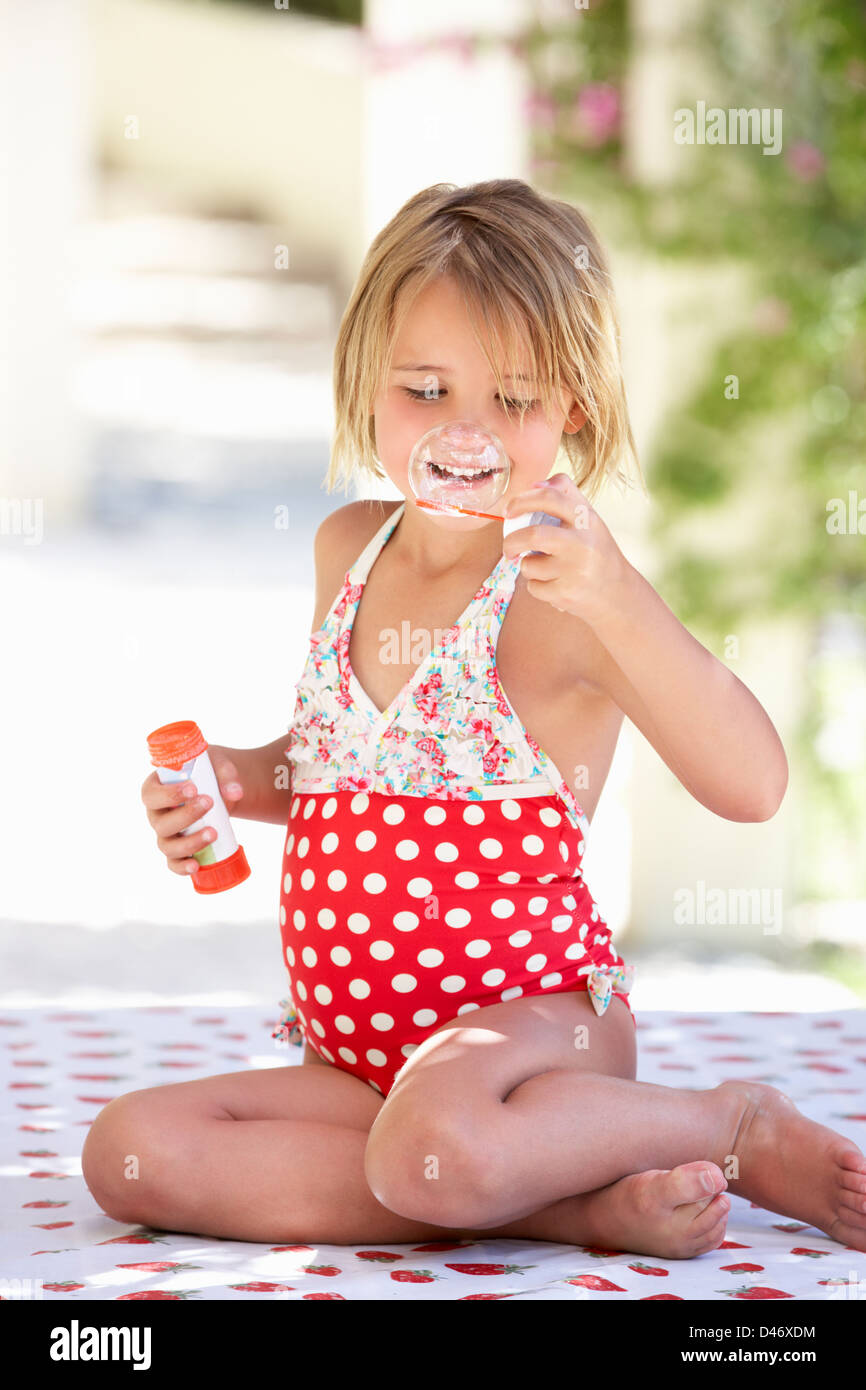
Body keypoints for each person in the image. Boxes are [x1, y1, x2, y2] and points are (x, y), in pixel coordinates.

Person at [84, 180, 866, 1258]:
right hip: (365, 1067)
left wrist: (619, 597)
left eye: (512, 399)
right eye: (423, 387)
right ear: (365, 381)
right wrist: (225, 780)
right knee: (134, 1147)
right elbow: (331, 766)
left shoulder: (563, 600)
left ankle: (728, 1123)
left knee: (430, 1146)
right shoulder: (345, 552)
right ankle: (566, 1205)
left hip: (536, 1051)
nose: (464, 430)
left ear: (573, 410)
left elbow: (752, 784)